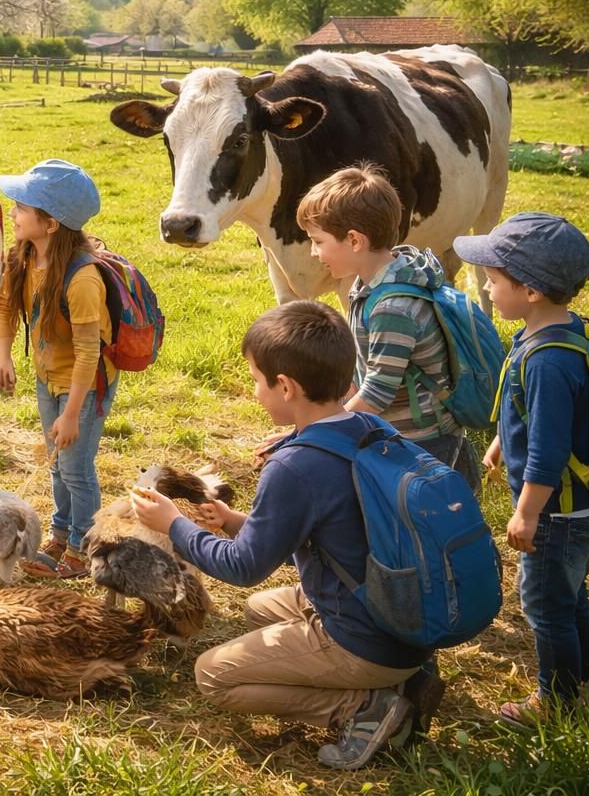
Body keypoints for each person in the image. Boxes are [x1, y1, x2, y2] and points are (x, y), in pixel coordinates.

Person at [132, 301, 432, 771]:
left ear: (287, 386)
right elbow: (326, 529)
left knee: (212, 675)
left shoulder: (294, 465)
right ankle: (396, 678)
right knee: (259, 611)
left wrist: (174, 523)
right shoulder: (370, 427)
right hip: (403, 612)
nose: (254, 391)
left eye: (256, 380)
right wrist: (233, 520)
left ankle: (365, 708)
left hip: (368, 637)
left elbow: (244, 568)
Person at [454, 213, 589, 725]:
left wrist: (526, 514)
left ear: (533, 290)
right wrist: (500, 440)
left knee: (545, 605)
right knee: (569, 591)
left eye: (495, 280)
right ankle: (583, 679)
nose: (488, 288)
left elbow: (548, 448)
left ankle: (555, 702)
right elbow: (529, 412)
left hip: (559, 512)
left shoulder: (547, 360)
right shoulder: (550, 334)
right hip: (577, 507)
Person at [296, 165, 482, 489]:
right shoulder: (371, 283)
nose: (313, 252)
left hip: (423, 443)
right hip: (396, 432)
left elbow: (378, 391)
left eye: (317, 241)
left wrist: (321, 433)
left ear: (354, 240)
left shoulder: (391, 308)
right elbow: (363, 368)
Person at [0, 159, 111, 581]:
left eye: (23, 206)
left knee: (77, 469)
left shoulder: (83, 280)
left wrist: (71, 413)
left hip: (84, 384)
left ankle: (84, 547)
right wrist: (4, 356)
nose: (14, 211)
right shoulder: (23, 257)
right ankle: (61, 534)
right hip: (49, 377)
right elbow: (5, 308)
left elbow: (87, 352)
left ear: (52, 224)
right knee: (58, 463)